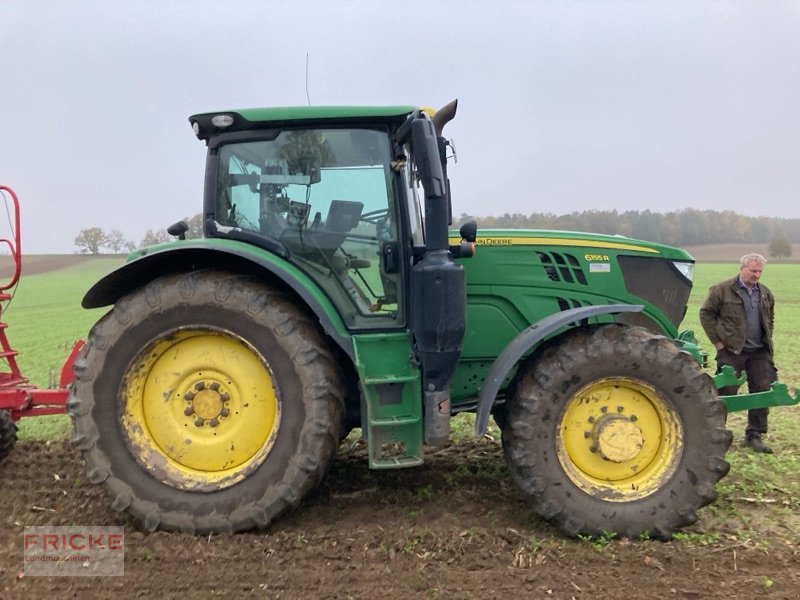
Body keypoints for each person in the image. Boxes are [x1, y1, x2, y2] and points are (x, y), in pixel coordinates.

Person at [699, 253, 777, 454]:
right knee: (726, 393)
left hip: (759, 352)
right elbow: (706, 313)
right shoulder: (722, 290)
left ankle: (754, 436)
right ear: (742, 268)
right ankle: (714, 435)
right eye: (753, 271)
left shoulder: (765, 293)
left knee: (761, 392)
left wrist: (767, 340)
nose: (756, 275)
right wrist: (718, 343)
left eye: (759, 271)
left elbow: (770, 319)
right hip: (732, 351)